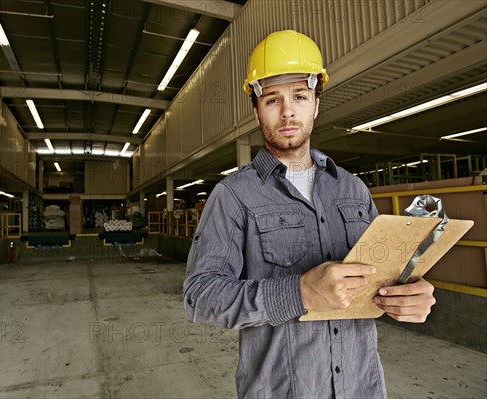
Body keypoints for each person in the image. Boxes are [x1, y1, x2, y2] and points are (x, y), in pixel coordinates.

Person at [183, 30, 436, 399]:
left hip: (362, 387)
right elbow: (200, 297)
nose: (287, 111)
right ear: (256, 110)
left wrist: (410, 294)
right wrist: (298, 292)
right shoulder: (234, 196)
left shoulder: (353, 189)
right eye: (272, 100)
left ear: (316, 105)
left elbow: (385, 275)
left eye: (299, 96)